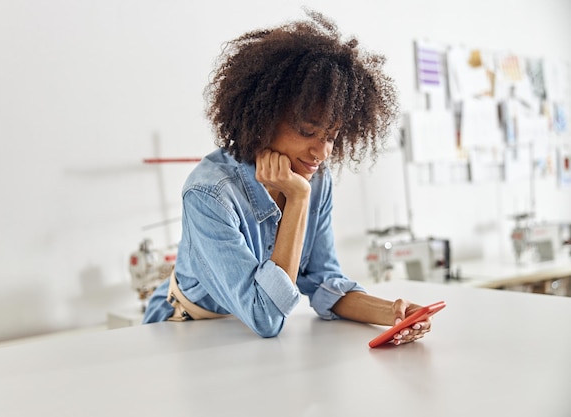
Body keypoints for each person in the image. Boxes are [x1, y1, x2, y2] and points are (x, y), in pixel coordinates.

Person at [143, 10, 432, 345]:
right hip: (182, 333)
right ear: (265, 116)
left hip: (244, 341)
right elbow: (266, 316)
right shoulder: (209, 195)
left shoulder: (316, 180)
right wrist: (296, 199)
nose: (322, 152)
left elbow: (323, 281)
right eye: (308, 131)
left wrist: (394, 313)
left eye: (332, 136)